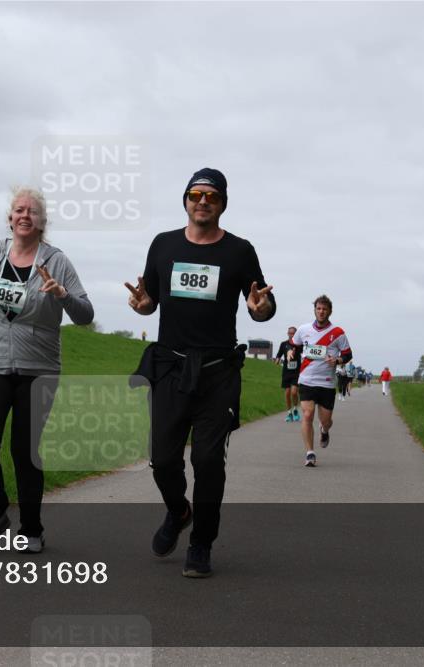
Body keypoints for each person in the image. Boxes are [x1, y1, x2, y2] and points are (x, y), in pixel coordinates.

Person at [125, 167, 275, 577]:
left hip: (217, 372)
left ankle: (201, 543)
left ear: (223, 203)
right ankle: (179, 510)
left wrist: (262, 311)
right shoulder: (163, 244)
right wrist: (142, 306)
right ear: (186, 200)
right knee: (162, 460)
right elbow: (150, 299)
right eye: (196, 194)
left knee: (209, 461)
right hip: (171, 367)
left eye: (211, 195)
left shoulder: (239, 252)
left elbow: (261, 303)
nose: (203, 201)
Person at [0, 187, 94, 554]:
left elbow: (85, 315)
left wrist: (62, 295)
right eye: (18, 209)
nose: (24, 215)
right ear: (10, 218)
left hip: (38, 369)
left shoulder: (57, 261)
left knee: (24, 449)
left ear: (42, 222)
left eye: (32, 211)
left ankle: (31, 529)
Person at [289, 295, 352, 467]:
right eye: (318, 308)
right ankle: (310, 453)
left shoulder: (338, 333)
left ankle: (324, 430)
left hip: (326, 383)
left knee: (325, 421)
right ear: (315, 310)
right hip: (307, 379)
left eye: (324, 309)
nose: (321, 311)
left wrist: (338, 360)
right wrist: (290, 351)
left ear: (330, 311)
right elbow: (294, 345)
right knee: (307, 415)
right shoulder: (303, 329)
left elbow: (348, 354)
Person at [274, 326, 301, 421]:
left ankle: (295, 409)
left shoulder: (299, 345)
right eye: (290, 333)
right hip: (286, 371)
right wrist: (277, 360)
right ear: (287, 334)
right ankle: (289, 413)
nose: (291, 335)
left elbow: (305, 353)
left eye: (293, 333)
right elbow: (278, 355)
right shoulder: (283, 344)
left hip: (296, 372)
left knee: (294, 392)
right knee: (287, 393)